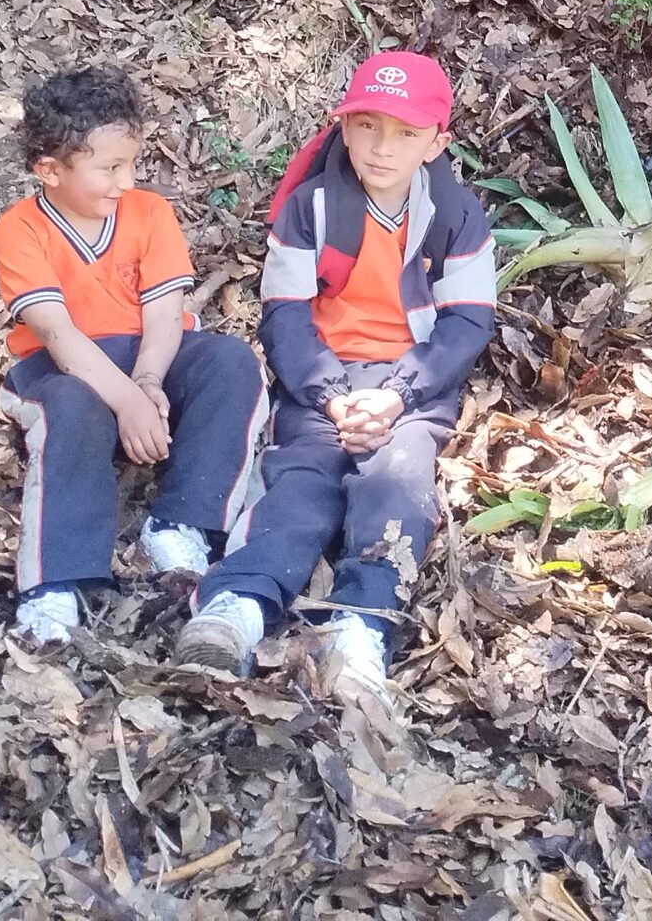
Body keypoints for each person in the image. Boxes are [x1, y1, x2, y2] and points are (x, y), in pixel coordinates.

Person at [175, 53, 497, 711]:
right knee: (301, 481)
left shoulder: (456, 215)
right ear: (343, 127)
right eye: (368, 126)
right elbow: (285, 315)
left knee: (398, 485)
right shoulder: (310, 208)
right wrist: (329, 393)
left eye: (406, 133)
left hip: (411, 390)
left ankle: (361, 626)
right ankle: (236, 607)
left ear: (437, 143)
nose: (383, 148)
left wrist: (399, 394)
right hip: (322, 380)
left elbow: (467, 322)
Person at [0, 68, 267, 646]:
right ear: (50, 170)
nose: (127, 180)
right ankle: (53, 586)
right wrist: (127, 402)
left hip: (147, 355)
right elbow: (58, 336)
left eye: (132, 164)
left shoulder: (148, 213)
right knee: (69, 405)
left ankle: (181, 525)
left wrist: (147, 383)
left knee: (230, 362)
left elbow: (165, 314)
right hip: (61, 368)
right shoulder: (19, 230)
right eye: (109, 168)